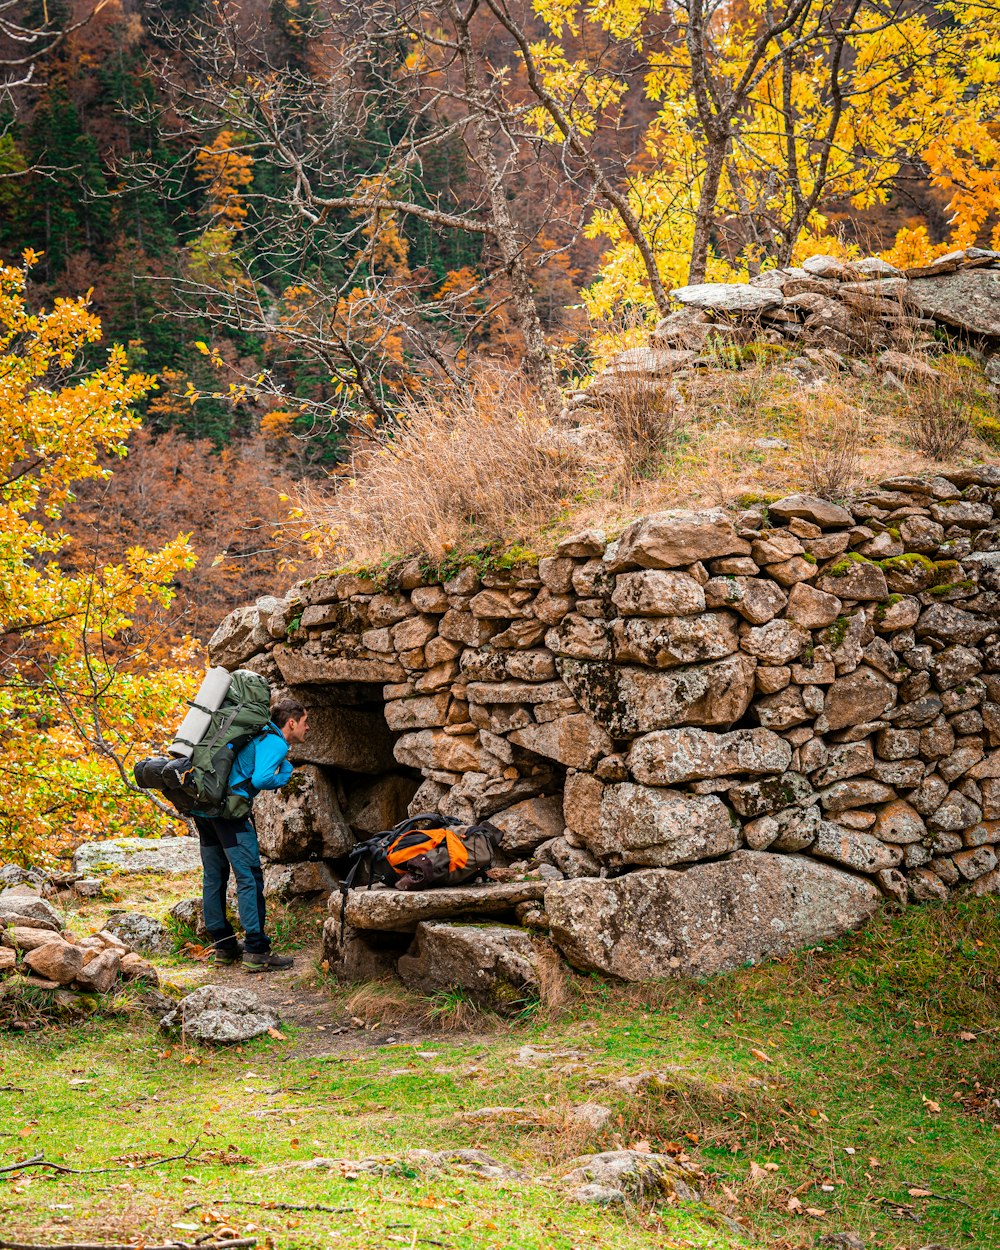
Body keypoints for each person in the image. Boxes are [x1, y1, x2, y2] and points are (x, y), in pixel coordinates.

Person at [192, 697, 309, 972]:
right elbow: (261, 779)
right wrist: (287, 775)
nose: (308, 728)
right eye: (305, 722)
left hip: (204, 810)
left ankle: (223, 946)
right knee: (249, 877)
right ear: (290, 723)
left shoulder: (254, 734)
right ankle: (256, 950)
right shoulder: (276, 741)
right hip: (229, 815)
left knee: (214, 875)